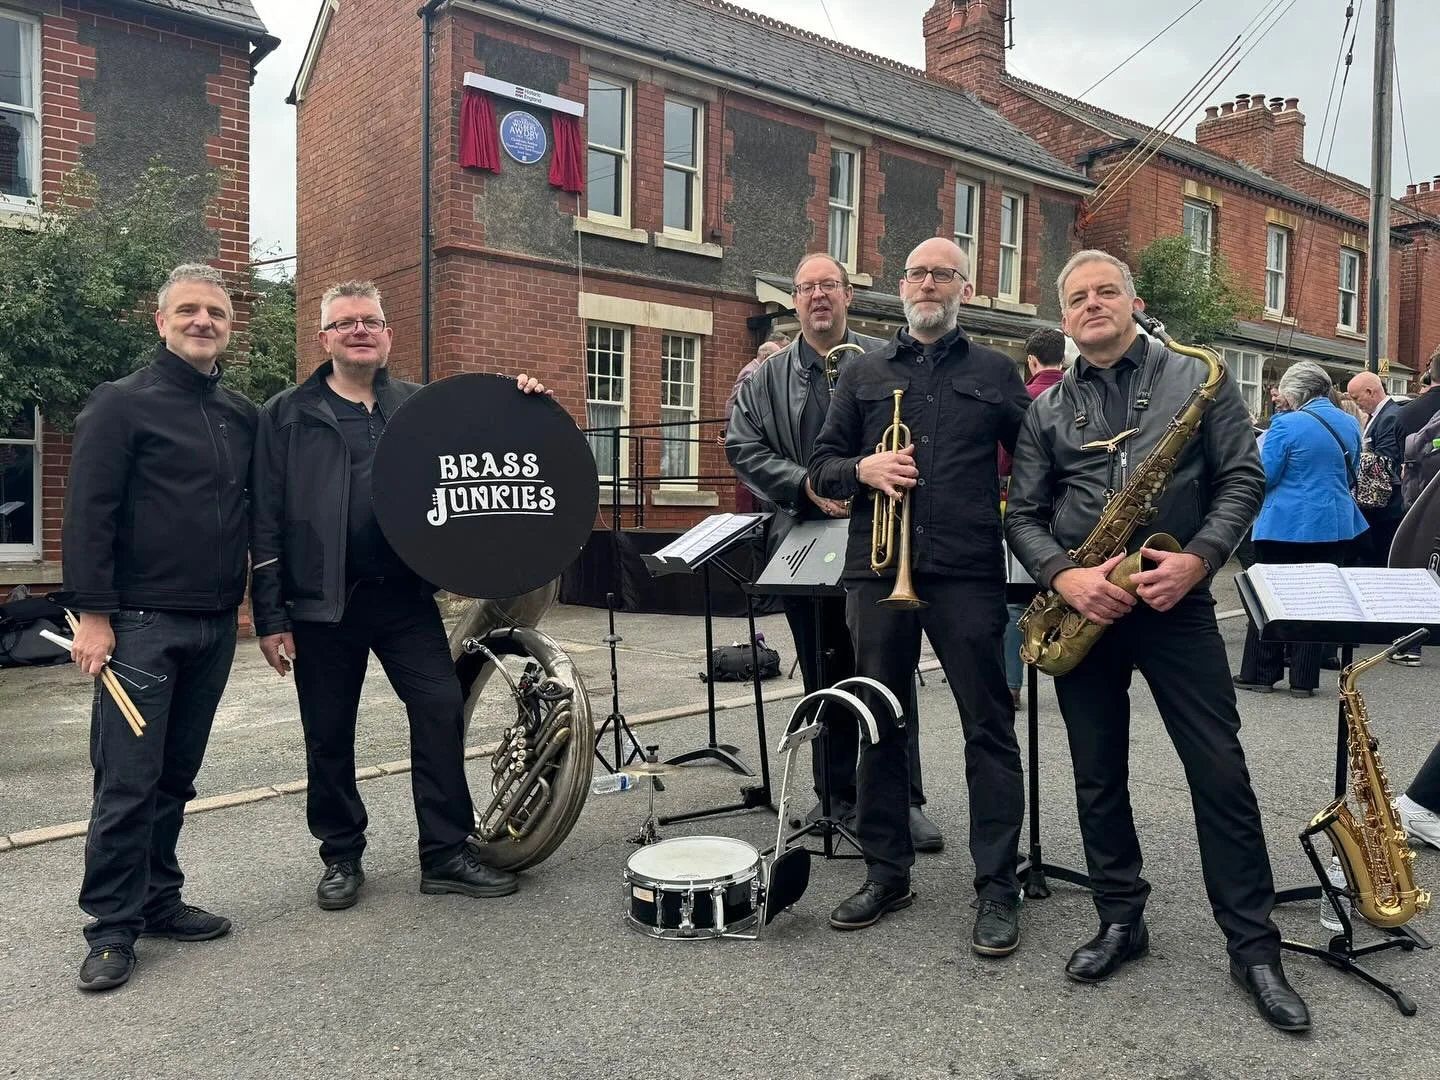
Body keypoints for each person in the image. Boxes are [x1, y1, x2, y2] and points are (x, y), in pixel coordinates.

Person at [1006, 250, 1310, 1032]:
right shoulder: (1045, 409)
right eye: (1078, 297)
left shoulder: (1195, 377)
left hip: (1174, 601)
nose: (1094, 304)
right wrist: (1063, 579)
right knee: (1096, 775)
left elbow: (1243, 479)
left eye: (1107, 290)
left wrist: (1201, 559)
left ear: (1133, 301)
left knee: (1219, 772)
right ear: (1066, 316)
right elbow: (1022, 515)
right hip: (1087, 608)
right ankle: (1120, 918)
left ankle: (1254, 948)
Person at [249, 281, 549, 912]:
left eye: (372, 322)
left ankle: (444, 854)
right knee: (328, 734)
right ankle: (340, 856)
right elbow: (266, 521)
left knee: (440, 708)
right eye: (346, 323)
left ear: (387, 334)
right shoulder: (286, 414)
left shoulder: (417, 406)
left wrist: (525, 405)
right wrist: (269, 615)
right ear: (323, 337)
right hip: (321, 604)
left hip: (405, 599)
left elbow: (487, 453)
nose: (360, 331)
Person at [808, 237, 1028, 955]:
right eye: (917, 272)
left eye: (942, 273)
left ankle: (998, 886)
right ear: (900, 286)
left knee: (987, 727)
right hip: (879, 575)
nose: (928, 282)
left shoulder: (996, 371)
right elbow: (823, 466)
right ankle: (886, 871)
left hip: (966, 569)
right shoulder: (863, 372)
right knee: (879, 724)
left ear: (964, 287)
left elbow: (1034, 467)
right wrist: (864, 467)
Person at [62, 264, 257, 992]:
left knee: (175, 777)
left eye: (215, 312)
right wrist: (94, 617)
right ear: (161, 321)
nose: (202, 320)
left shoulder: (239, 414)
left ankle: (158, 898)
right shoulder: (120, 405)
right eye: (188, 310)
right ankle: (111, 928)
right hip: (139, 626)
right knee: (127, 782)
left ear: (229, 326)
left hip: (213, 627)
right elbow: (88, 516)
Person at [728, 253, 941, 851]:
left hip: (880, 535)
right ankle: (838, 795)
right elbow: (743, 446)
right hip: (804, 534)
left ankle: (902, 800)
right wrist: (807, 484)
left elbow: (924, 433)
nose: (818, 296)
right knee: (823, 671)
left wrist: (877, 480)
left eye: (830, 286)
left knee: (888, 671)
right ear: (794, 301)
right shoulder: (764, 377)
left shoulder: (886, 359)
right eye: (807, 288)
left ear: (849, 296)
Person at [1233, 362, 1368, 698]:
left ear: (1297, 391)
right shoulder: (1349, 423)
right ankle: (1304, 680)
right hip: (1336, 523)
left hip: (1285, 523)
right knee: (1317, 600)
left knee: (1270, 596)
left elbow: (1265, 476)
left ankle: (1261, 673)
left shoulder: (1285, 425)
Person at [999, 327, 1067, 708]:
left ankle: (1011, 684)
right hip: (1075, 512)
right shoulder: (1079, 395)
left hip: (1026, 509)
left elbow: (1005, 462)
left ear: (1031, 360)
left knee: (1015, 602)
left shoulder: (1023, 397)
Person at [1346, 370, 1416, 663]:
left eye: (1356, 397)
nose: (1355, 403)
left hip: (1386, 507)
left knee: (1383, 565)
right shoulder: (1382, 415)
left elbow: (1387, 458)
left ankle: (1392, 629)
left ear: (1372, 392)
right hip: (1381, 506)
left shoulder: (1389, 417)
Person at [723, 336, 786, 512]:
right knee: (748, 480)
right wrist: (730, 431)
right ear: (766, 358)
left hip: (751, 430)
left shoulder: (756, 371)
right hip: (746, 432)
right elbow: (734, 402)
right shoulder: (751, 372)